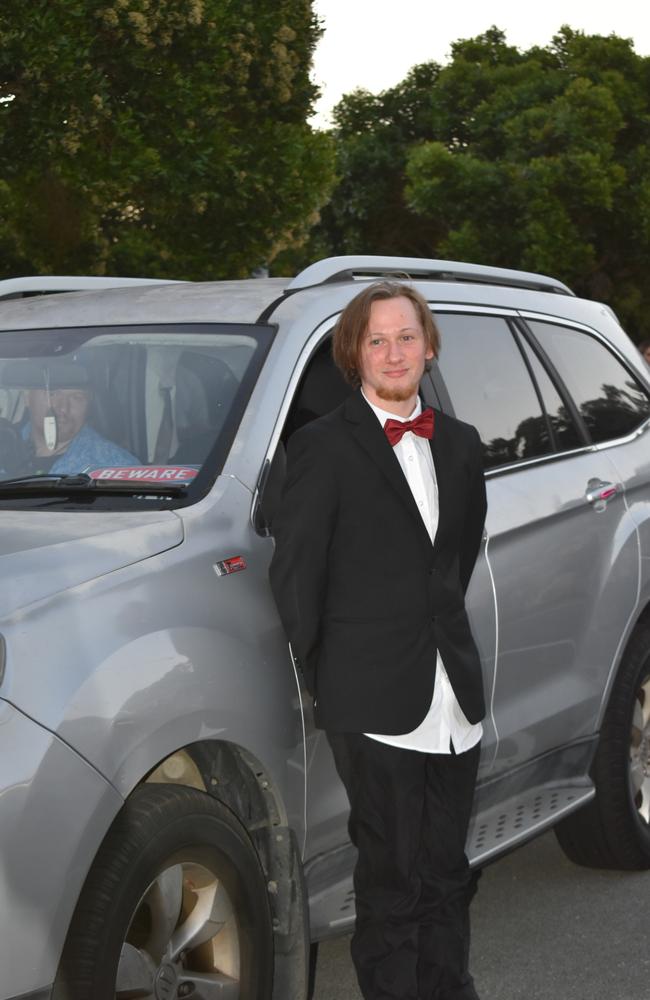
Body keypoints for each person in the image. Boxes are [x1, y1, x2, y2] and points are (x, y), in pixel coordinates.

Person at [270, 281, 487, 1000]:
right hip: (372, 696)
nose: (394, 352)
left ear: (429, 346)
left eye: (406, 336)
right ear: (353, 353)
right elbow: (297, 574)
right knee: (392, 880)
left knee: (448, 871)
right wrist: (325, 684)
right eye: (377, 339)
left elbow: (451, 562)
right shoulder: (324, 446)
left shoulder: (458, 445)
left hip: (451, 695)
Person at [2, 358, 138, 476]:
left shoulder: (116, 466)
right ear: (27, 397)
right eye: (53, 394)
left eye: (76, 397)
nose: (63, 408)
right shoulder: (4, 446)